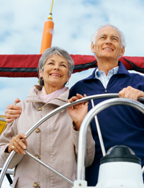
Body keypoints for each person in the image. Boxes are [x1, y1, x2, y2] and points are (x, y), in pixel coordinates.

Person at [4, 25, 144, 187]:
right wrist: (19, 113)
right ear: (92, 47)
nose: (108, 41)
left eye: (114, 39)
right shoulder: (78, 89)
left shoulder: (139, 83)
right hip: (94, 176)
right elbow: (51, 113)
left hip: (141, 171)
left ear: (122, 50)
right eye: (103, 37)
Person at [0, 46, 95, 188]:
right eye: (51, 63)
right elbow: (2, 160)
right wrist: (11, 148)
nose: (56, 68)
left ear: (68, 76)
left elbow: (87, 159)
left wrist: (80, 123)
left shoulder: (76, 109)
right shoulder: (20, 108)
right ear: (40, 72)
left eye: (63, 65)